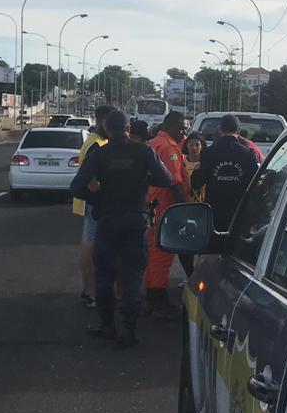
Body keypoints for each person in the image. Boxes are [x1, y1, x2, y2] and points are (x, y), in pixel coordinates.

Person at [69, 110, 172, 348]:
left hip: (107, 219)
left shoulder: (100, 154)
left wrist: (97, 199)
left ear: (107, 128)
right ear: (127, 128)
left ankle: (107, 326)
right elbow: (166, 180)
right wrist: (143, 179)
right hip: (136, 220)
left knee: (105, 275)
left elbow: (76, 188)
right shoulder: (143, 151)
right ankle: (129, 330)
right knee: (133, 276)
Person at [145, 110, 190, 317]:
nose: (183, 132)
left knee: (154, 252)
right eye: (180, 128)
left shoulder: (155, 143)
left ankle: (152, 296)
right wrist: (187, 207)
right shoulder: (168, 148)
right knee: (161, 255)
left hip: (156, 205)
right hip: (166, 208)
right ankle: (157, 298)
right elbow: (175, 182)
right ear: (169, 125)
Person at [71, 106, 111, 307]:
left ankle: (88, 290)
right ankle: (92, 291)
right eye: (109, 122)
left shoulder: (97, 141)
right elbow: (92, 180)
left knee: (88, 242)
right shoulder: (96, 144)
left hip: (88, 200)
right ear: (101, 120)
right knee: (90, 245)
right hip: (92, 201)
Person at [192, 114, 259, 230]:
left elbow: (196, 183)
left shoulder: (208, 153)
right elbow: (255, 184)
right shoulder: (248, 154)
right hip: (239, 215)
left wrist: (196, 171)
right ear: (238, 130)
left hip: (214, 214)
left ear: (220, 130)